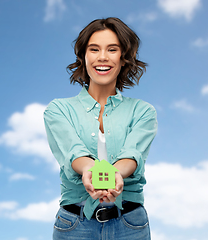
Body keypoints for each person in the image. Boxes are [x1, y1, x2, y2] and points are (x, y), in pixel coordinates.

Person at [44, 17, 157, 240]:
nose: (102, 57)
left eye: (112, 49)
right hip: (75, 225)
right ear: (83, 57)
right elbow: (72, 151)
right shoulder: (58, 109)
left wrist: (115, 174)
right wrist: (90, 171)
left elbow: (132, 155)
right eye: (94, 49)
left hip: (130, 224)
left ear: (124, 58)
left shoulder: (143, 111)